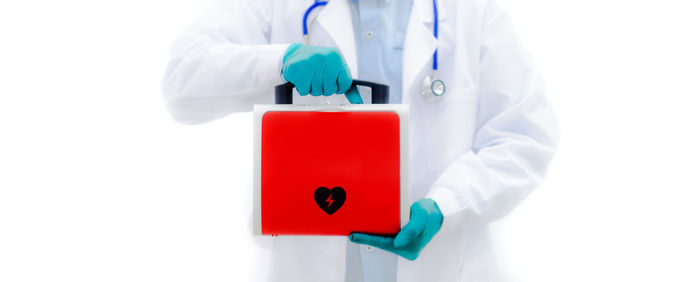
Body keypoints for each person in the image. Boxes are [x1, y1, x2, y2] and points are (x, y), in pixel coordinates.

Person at [161, 0, 558, 281]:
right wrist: (280, 60)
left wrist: (447, 204)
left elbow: (524, 135)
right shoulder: (276, 5)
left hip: (440, 267)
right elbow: (181, 79)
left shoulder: (474, 13)